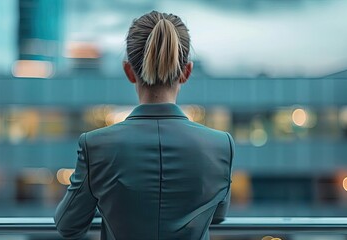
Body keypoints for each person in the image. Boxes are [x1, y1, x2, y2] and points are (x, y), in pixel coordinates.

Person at [54, 11, 235, 240]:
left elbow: (67, 225)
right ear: (186, 72)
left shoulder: (96, 145)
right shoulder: (220, 145)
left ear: (129, 71)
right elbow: (217, 215)